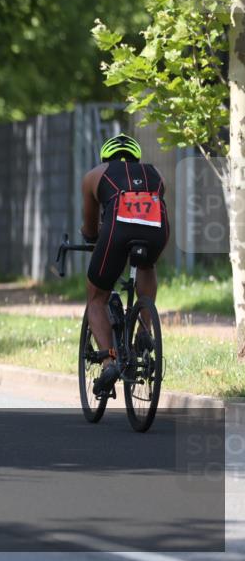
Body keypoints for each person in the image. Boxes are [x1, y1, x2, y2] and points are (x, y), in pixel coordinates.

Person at [80, 134, 169, 397]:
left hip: (116, 229)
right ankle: (144, 327)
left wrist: (93, 239)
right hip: (157, 230)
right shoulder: (156, 174)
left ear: (105, 157)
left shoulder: (95, 174)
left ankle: (109, 361)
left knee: (96, 296)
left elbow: (89, 224)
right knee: (146, 264)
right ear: (136, 157)